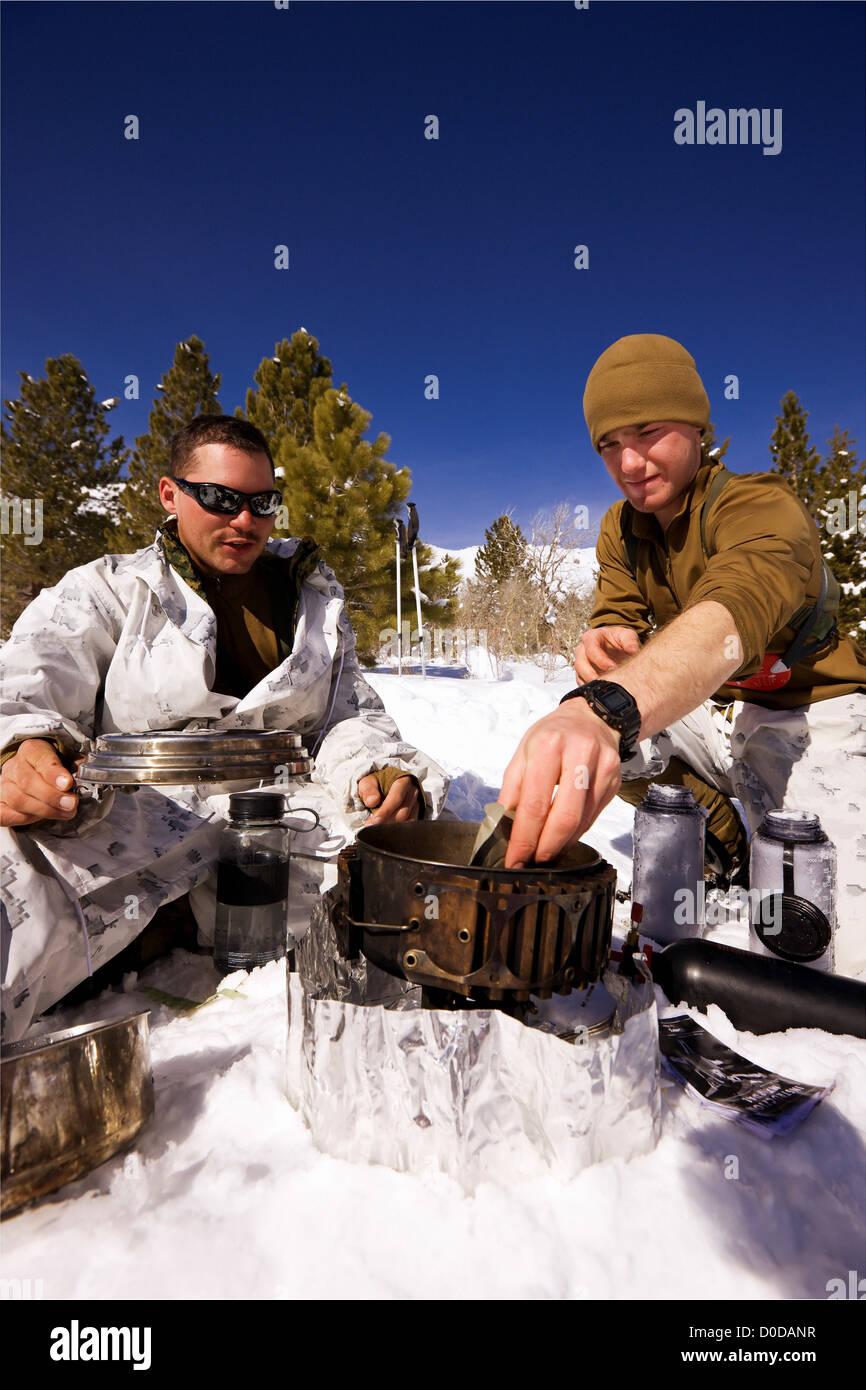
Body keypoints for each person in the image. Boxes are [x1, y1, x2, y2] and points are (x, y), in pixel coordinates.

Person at [0, 415, 448, 1039]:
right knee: (12, 877)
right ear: (169, 494)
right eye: (219, 499)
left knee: (417, 875)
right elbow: (35, 672)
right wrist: (22, 749)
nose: (244, 521)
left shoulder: (312, 599)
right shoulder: (108, 590)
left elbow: (348, 716)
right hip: (136, 808)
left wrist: (375, 770)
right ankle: (141, 927)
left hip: (283, 808)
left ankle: (179, 927)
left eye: (262, 503)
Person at [500, 334, 866, 974]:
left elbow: (738, 607)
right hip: (711, 715)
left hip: (809, 714)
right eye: (608, 444)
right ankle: (723, 841)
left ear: (698, 425)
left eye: (647, 430)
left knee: (837, 946)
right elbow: (615, 612)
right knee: (617, 749)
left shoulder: (759, 504)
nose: (629, 461)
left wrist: (609, 707)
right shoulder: (619, 527)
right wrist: (605, 646)